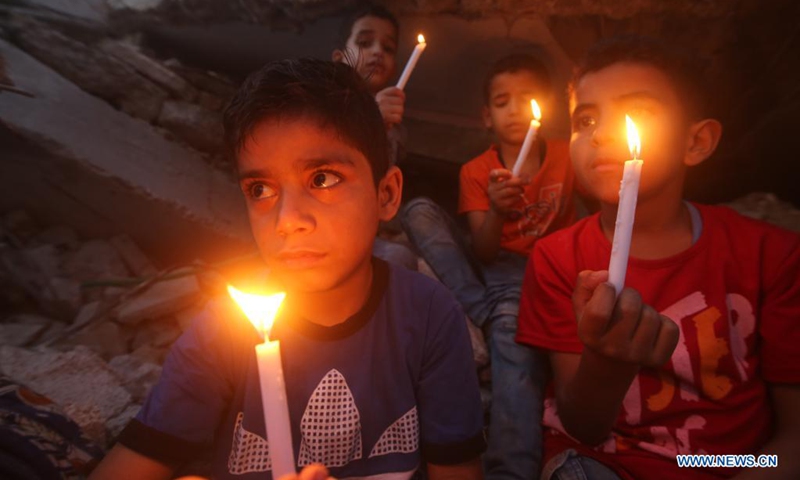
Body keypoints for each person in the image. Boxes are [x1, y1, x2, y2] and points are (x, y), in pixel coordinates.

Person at [89, 59, 485, 480]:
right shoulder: (224, 332)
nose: (287, 219)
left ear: (386, 194)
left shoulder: (427, 318)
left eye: (323, 179)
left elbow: (458, 469)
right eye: (261, 190)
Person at [516, 35, 800, 480]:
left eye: (638, 112)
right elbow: (582, 427)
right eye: (585, 119)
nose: (602, 134)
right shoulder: (557, 258)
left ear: (697, 142)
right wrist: (606, 363)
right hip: (602, 459)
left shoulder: (771, 255)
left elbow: (793, 441)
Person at [401, 54, 578, 479]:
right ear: (486, 116)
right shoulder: (477, 170)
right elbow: (482, 251)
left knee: (515, 359)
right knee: (418, 211)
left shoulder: (567, 157)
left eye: (527, 99)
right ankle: (490, 314)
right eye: (502, 101)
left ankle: (510, 472)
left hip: (542, 270)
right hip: (492, 265)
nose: (515, 109)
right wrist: (497, 211)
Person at [332, 3, 418, 271]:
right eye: (365, 42)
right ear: (339, 58)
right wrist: (371, 121)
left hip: (372, 233)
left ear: (393, 68)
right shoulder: (323, 107)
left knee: (401, 256)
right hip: (330, 227)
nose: (378, 51)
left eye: (388, 48)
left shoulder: (397, 129)